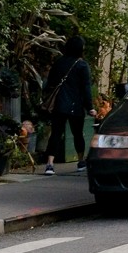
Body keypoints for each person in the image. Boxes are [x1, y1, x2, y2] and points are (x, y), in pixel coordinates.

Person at [41, 35, 94, 176]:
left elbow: (50, 82)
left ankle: (50, 164)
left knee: (56, 133)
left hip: (58, 104)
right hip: (75, 104)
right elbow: (86, 88)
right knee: (77, 133)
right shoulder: (82, 65)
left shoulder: (59, 63)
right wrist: (90, 107)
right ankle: (81, 160)